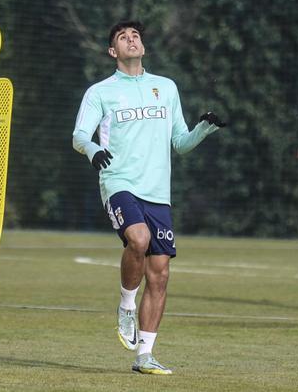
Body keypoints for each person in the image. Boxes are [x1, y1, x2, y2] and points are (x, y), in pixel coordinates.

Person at [72, 21, 225, 375]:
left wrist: (205, 127)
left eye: (136, 35)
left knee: (160, 274)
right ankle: (126, 303)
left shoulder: (165, 88)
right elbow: (79, 135)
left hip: (158, 191)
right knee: (137, 239)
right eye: (123, 37)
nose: (132, 39)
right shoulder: (101, 92)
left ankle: (144, 355)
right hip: (119, 182)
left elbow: (181, 144)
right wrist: (94, 150)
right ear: (113, 51)